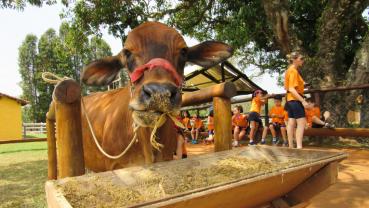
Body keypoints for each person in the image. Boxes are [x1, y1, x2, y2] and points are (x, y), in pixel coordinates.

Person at [284, 51, 309, 149]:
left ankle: (290, 146)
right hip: (295, 99)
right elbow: (291, 88)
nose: (302, 60)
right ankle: (299, 147)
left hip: (290, 100)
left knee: (291, 122)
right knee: (301, 123)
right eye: (301, 58)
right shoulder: (293, 70)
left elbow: (290, 87)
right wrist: (302, 100)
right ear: (294, 60)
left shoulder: (289, 70)